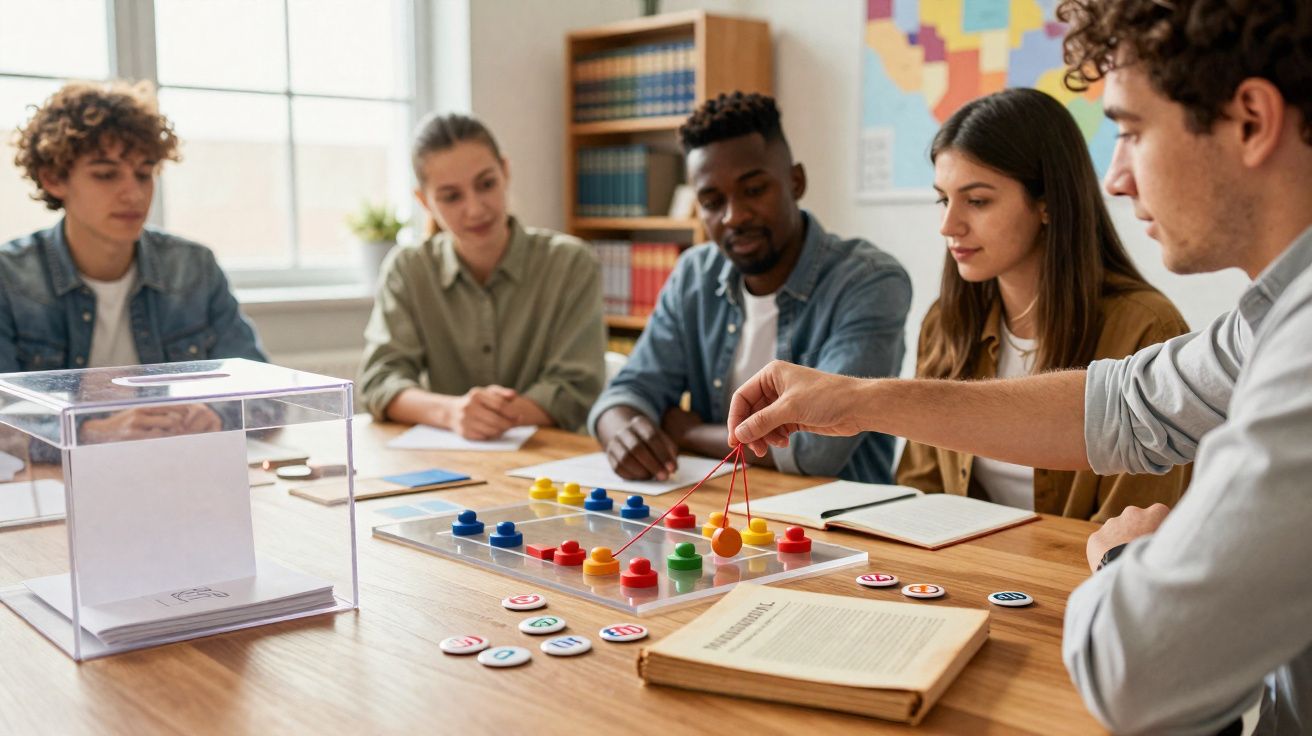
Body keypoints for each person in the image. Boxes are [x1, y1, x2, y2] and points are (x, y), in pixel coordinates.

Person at [727, 0, 1312, 731]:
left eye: (1130, 131)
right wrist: (857, 400)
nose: (1119, 178)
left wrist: (1125, 562)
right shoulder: (1274, 318)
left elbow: (1141, 672)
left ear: (1252, 121)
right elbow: (1124, 405)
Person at [896, 87, 1191, 521]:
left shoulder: (1147, 330)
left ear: (1047, 202)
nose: (948, 225)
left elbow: (1131, 533)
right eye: (944, 198)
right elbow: (919, 495)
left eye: (977, 201)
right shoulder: (946, 321)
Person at [588, 92, 911, 483]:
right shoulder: (694, 275)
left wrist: (685, 431)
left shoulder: (868, 281)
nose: (734, 216)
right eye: (711, 201)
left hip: (841, 523)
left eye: (754, 190)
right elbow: (627, 392)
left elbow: (817, 451)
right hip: (721, 513)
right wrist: (621, 431)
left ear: (796, 181)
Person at [359, 113, 605, 438]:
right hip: (446, 464)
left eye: (486, 184)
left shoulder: (572, 263)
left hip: (550, 462)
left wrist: (485, 417)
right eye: (451, 196)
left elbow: (577, 391)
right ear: (424, 201)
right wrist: (453, 413)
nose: (475, 209)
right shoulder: (408, 269)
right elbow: (379, 381)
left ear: (505, 171)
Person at [1, 80, 266, 374]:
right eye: (106, 175)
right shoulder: (9, 279)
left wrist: (209, 415)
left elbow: (261, 397)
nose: (135, 194)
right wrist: (89, 423)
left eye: (143, 174)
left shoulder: (193, 267)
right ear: (53, 179)